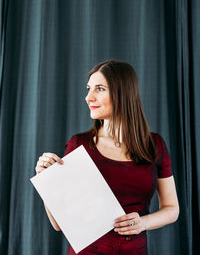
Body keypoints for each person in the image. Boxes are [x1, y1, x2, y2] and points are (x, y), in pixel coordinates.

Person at [35, 60, 179, 255]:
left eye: (100, 89)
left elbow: (172, 209)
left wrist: (143, 223)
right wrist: (47, 181)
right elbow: (59, 225)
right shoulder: (79, 145)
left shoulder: (155, 145)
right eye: (88, 89)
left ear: (124, 92)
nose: (88, 97)